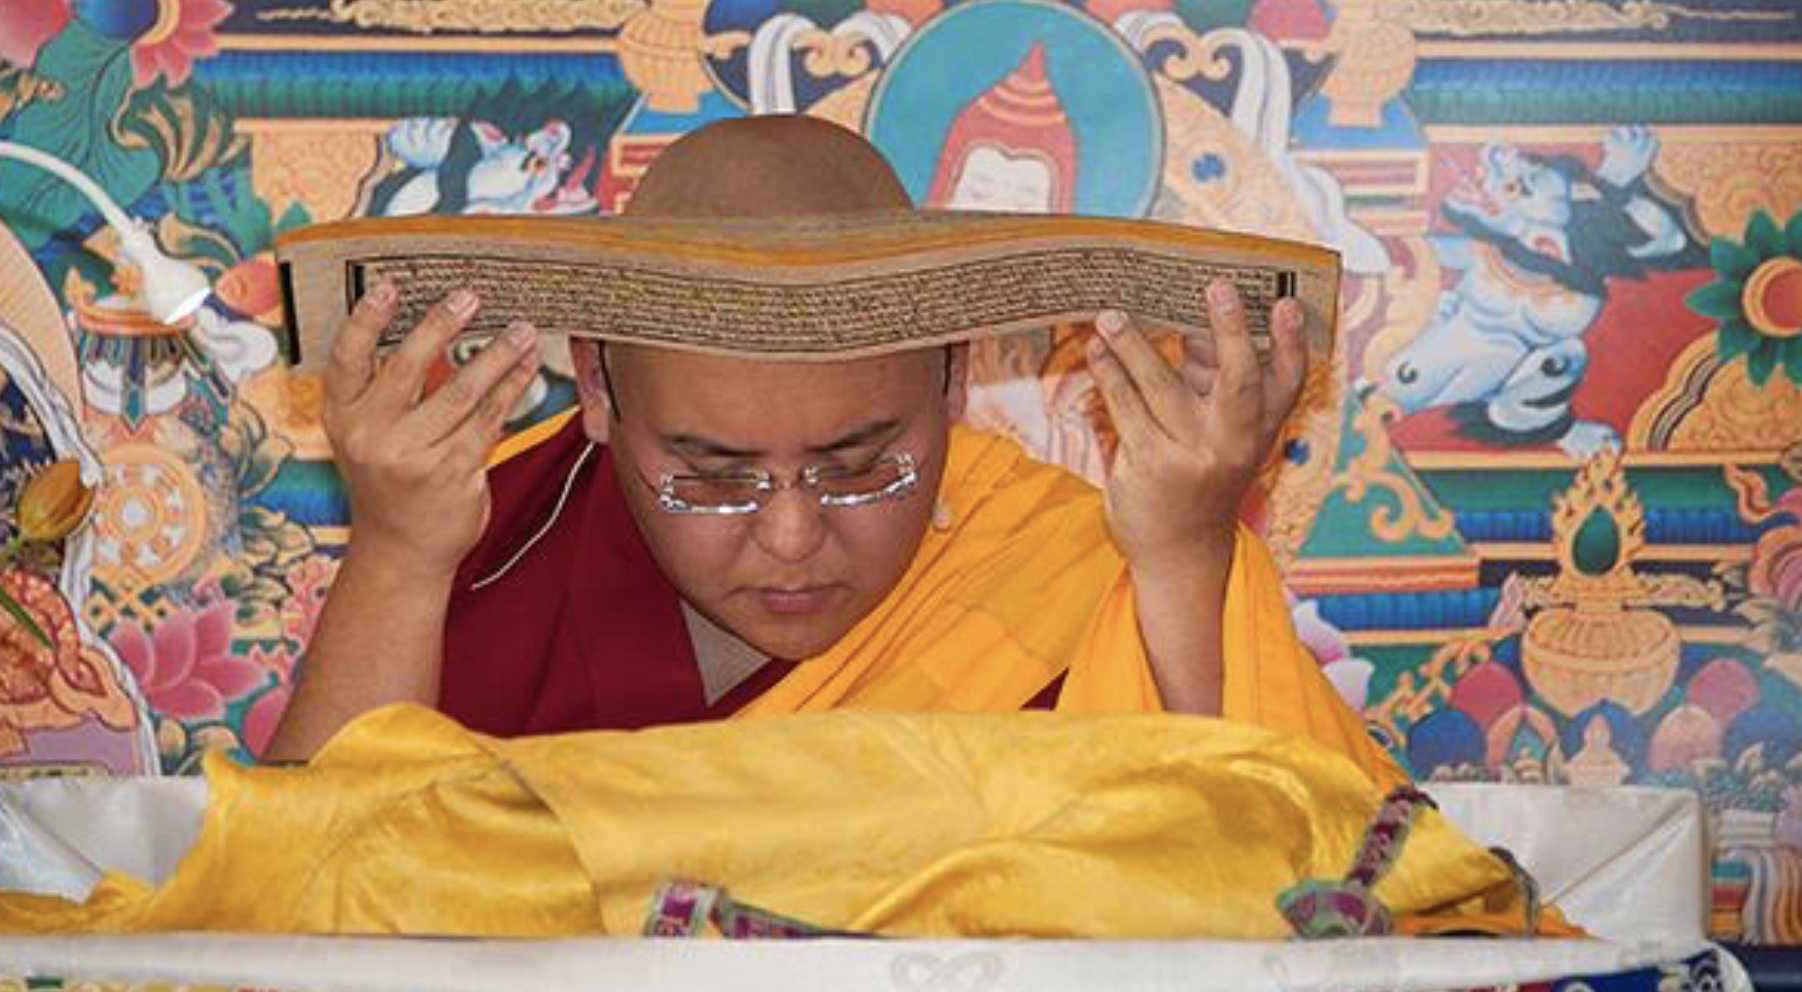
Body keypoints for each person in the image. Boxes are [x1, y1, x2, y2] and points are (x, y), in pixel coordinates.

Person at [263, 115, 1327, 762]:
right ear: (596, 385)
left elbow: (1312, 901)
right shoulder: (484, 540)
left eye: (862, 466)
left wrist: (1189, 551)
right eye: (711, 477)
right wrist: (398, 556)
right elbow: (289, 921)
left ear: (953, 376)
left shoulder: (1071, 567)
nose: (787, 536)